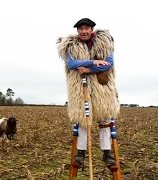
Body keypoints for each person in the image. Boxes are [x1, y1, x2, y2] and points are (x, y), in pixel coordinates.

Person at [57, 18, 120, 166]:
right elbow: (71, 64)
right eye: (81, 29)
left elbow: (108, 64)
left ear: (92, 29)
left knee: (105, 119)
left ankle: (106, 153)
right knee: (83, 119)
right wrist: (93, 62)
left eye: (87, 28)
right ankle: (81, 153)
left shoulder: (104, 42)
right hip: (80, 88)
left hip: (102, 88)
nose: (84, 31)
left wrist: (89, 69)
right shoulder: (71, 45)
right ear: (77, 31)